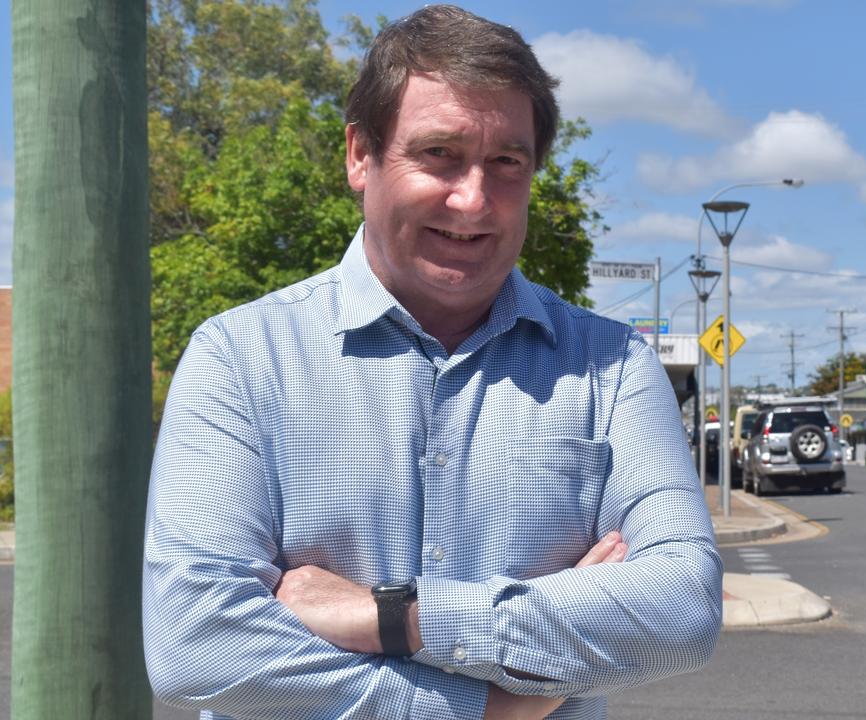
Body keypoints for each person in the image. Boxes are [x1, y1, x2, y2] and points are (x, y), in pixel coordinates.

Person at [142, 5, 723, 719]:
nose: (473, 199)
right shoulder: (240, 359)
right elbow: (196, 641)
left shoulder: (610, 368)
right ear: (361, 155)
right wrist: (488, 706)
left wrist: (395, 616)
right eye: (438, 154)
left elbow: (682, 608)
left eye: (506, 162)